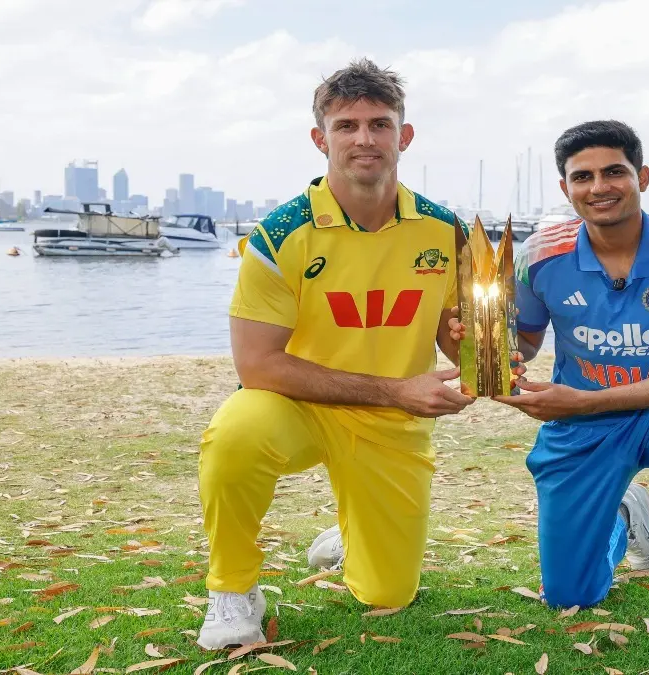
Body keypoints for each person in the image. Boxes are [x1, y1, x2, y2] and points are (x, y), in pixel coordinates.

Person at [196, 58, 475, 650]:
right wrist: (396, 389)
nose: (364, 139)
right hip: (297, 406)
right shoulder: (280, 233)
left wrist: (483, 354)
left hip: (393, 425)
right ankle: (233, 588)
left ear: (404, 136)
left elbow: (455, 337)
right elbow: (257, 366)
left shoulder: (445, 231)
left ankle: (353, 535)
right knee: (235, 432)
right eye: (347, 126)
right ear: (321, 139)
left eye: (379, 123)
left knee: (387, 596)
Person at [456, 120, 649, 656]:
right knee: (572, 595)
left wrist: (587, 400)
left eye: (614, 172)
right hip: (581, 428)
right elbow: (522, 343)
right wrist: (484, 344)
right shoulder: (540, 254)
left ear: (641, 176)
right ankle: (624, 516)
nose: (600, 187)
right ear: (565, 188)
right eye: (582, 177)